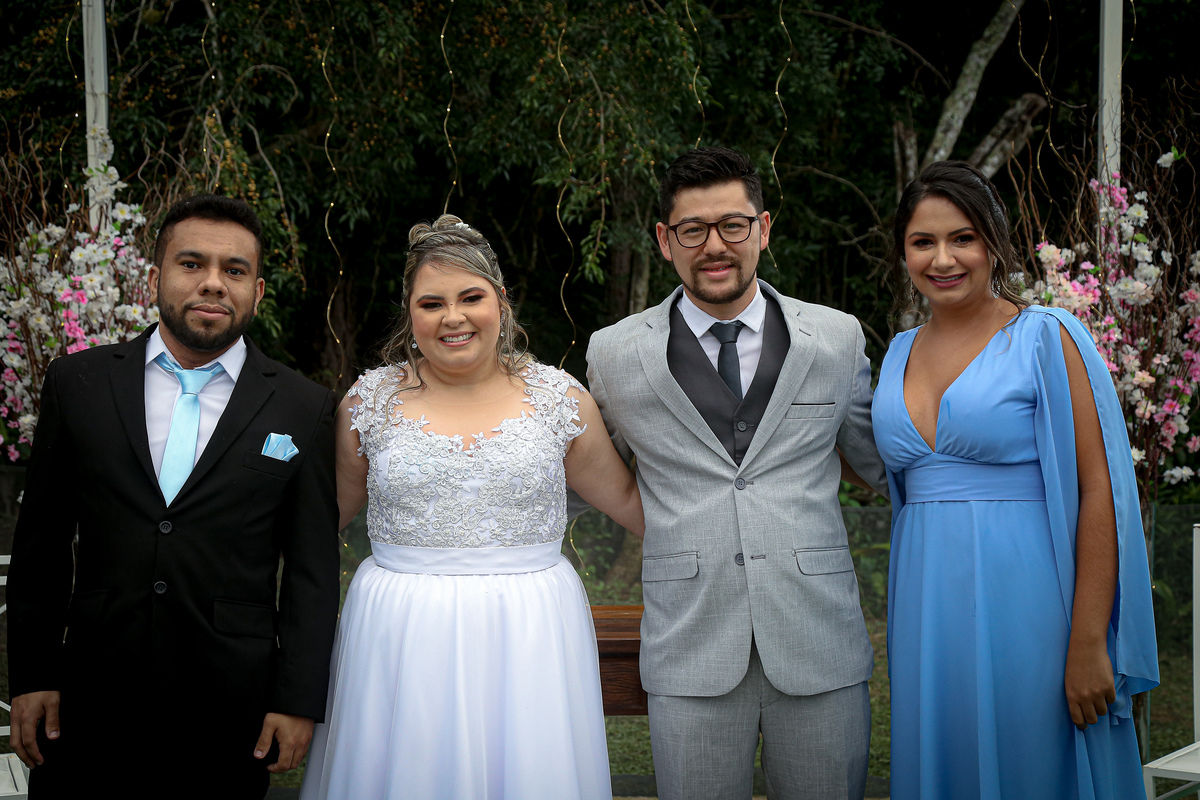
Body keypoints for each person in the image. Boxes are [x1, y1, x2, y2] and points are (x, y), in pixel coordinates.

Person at [298, 214, 644, 800]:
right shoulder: (367, 403)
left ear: (501, 302)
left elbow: (634, 504)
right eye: (431, 303)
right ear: (410, 313)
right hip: (398, 629)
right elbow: (317, 523)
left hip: (531, 628)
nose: (452, 317)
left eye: (470, 297)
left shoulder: (560, 400)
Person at [7, 195, 341, 799]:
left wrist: (297, 699)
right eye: (192, 264)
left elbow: (311, 571)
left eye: (234, 269)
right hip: (89, 699)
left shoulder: (304, 407)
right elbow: (41, 546)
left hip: (231, 710)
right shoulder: (78, 383)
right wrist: (32, 676)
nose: (213, 282)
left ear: (258, 291)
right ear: (155, 277)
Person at [583, 146, 887, 800]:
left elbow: (882, 463)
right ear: (665, 240)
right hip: (689, 645)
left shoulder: (836, 338)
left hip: (818, 638)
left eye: (733, 225)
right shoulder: (614, 354)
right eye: (693, 229)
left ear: (763, 229)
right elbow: (584, 472)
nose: (715, 246)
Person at [873, 160, 1159, 799]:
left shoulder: (1047, 337)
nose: (943, 259)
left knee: (1036, 761)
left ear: (994, 242)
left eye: (963, 238)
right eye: (922, 242)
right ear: (903, 253)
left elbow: (1100, 490)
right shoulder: (895, 353)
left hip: (1033, 601)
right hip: (926, 609)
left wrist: (1089, 639)